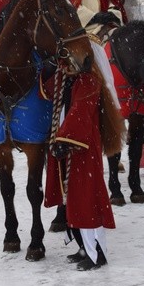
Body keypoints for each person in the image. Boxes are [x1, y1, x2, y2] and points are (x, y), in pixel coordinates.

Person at [44, 70, 115, 271]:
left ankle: (96, 253)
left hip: (81, 143)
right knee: (71, 196)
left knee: (86, 195)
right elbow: (46, 91)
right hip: (67, 141)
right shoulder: (64, 78)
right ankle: (83, 247)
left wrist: (65, 137)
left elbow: (81, 110)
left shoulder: (89, 80)